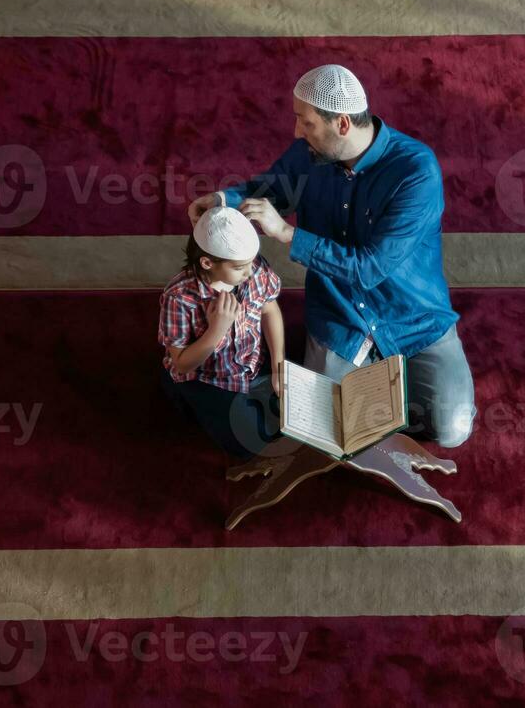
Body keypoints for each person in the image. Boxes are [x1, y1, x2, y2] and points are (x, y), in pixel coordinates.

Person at [188, 64, 476, 448]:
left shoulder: (415, 171)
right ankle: (374, 394)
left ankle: (386, 391)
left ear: (342, 124)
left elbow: (370, 268)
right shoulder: (308, 154)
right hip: (340, 319)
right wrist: (223, 201)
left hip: (414, 320)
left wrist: (288, 233)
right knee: (329, 428)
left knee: (452, 429)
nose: (296, 132)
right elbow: (269, 190)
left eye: (305, 123)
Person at [157, 206, 285, 458]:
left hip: (251, 365)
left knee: (292, 419)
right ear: (207, 262)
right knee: (253, 447)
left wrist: (279, 363)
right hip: (208, 378)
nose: (250, 272)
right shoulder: (180, 297)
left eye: (251, 262)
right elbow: (182, 364)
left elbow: (270, 310)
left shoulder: (254, 269)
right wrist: (217, 329)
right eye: (240, 268)